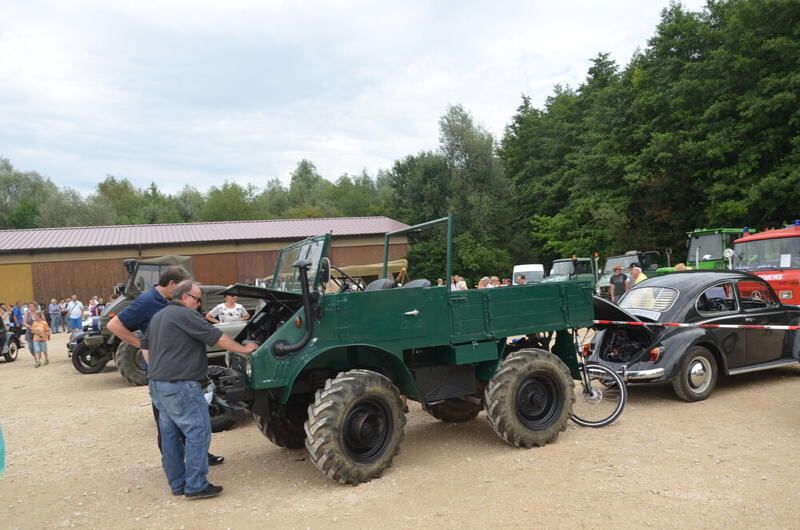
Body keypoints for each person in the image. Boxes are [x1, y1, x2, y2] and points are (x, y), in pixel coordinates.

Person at [143, 280, 257, 499]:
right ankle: (195, 485)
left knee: (169, 436)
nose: (198, 304)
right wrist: (244, 349)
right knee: (197, 432)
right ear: (185, 297)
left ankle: (177, 484)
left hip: (158, 385)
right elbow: (218, 338)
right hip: (181, 385)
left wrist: (158, 370)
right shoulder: (186, 315)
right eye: (197, 299)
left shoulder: (158, 316)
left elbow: (144, 346)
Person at [107, 265, 224, 467]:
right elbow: (114, 325)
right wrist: (146, 346)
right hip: (163, 371)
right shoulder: (147, 301)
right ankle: (174, 464)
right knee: (167, 423)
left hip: (182, 369)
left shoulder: (168, 301)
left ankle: (198, 455)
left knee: (190, 416)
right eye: (181, 289)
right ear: (171, 285)